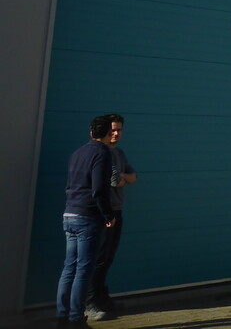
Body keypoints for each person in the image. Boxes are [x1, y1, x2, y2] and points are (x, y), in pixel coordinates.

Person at [56, 116, 116, 327]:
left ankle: (62, 317)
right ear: (109, 134)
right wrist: (108, 215)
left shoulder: (77, 153)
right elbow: (99, 189)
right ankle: (75, 319)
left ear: (91, 133)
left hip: (70, 214)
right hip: (88, 218)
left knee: (69, 267)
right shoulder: (102, 154)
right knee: (84, 270)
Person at [87, 114, 137, 320]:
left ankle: (101, 297)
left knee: (107, 257)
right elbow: (115, 181)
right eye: (112, 130)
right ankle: (89, 303)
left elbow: (132, 178)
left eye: (119, 130)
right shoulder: (101, 153)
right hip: (102, 211)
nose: (116, 133)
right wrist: (123, 178)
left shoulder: (120, 153)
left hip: (117, 210)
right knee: (97, 258)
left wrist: (123, 178)